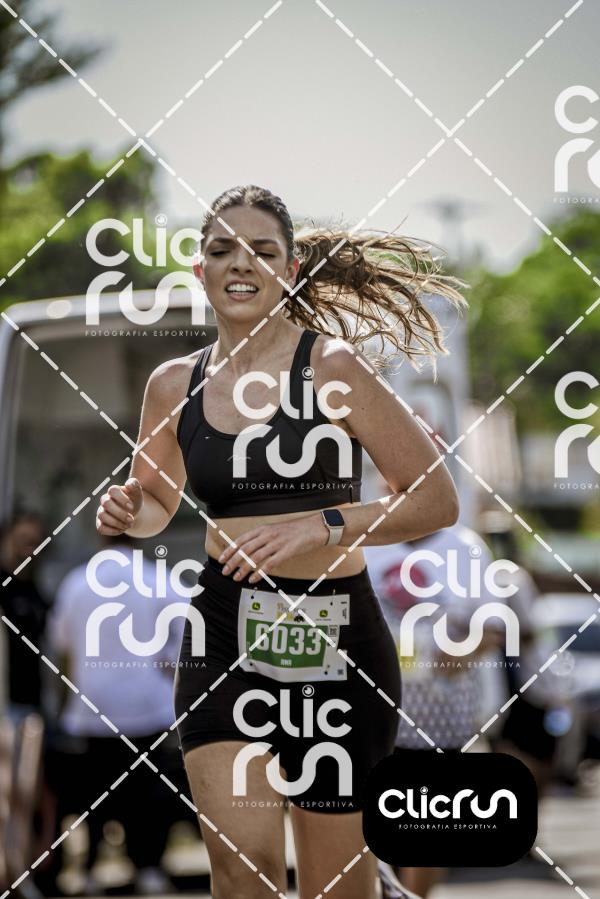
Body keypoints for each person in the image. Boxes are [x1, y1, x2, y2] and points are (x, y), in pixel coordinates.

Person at [96, 184, 464, 899]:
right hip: (225, 633)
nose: (241, 263)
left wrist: (322, 524)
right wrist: (129, 509)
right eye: (222, 249)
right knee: (242, 874)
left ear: (288, 269)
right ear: (200, 269)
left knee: (333, 886)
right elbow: (157, 504)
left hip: (336, 639)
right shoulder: (173, 385)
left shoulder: (333, 368)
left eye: (262, 251)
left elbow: (434, 499)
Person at [365, 523, 509, 897]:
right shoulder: (365, 540)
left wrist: (453, 657)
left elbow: (494, 629)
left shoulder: (465, 547)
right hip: (373, 711)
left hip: (441, 718)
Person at [46, 536, 187, 895]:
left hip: (93, 706)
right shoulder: (160, 578)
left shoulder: (76, 582)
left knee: (96, 790)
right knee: (148, 791)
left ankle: (91, 868)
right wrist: (167, 663)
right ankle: (149, 867)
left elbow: (60, 641)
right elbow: (188, 632)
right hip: (147, 704)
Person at [0, 512, 50, 723]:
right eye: (23, 540)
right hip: (6, 707)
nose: (30, 550)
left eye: (36, 543)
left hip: (34, 705)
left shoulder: (37, 591)